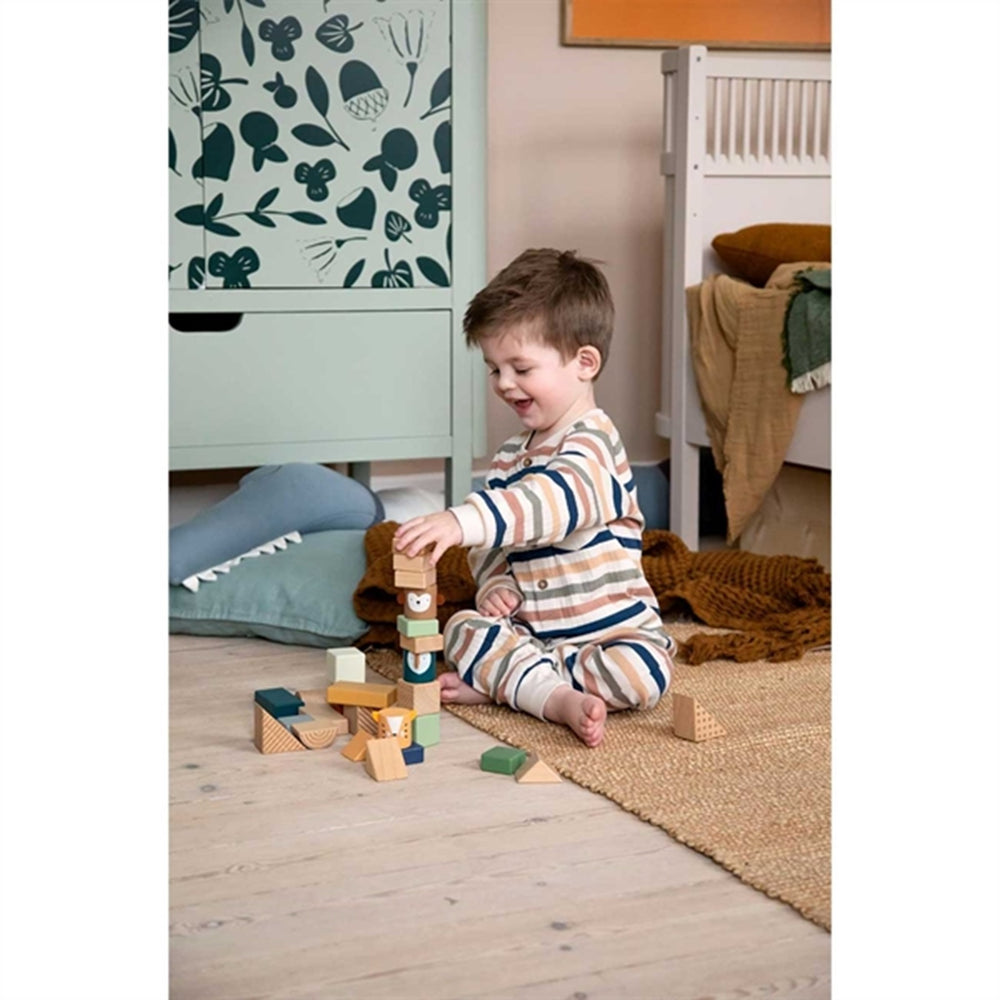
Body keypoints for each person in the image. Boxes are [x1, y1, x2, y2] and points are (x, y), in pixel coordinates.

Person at [393, 248, 675, 748]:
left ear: (584, 362)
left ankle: (524, 686)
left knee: (644, 674)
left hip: (611, 636)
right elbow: (493, 544)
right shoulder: (509, 457)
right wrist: (494, 581)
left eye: (521, 368)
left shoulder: (595, 445)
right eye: (494, 369)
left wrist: (462, 520)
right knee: (460, 629)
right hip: (533, 632)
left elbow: (546, 504)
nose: (504, 384)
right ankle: (544, 689)